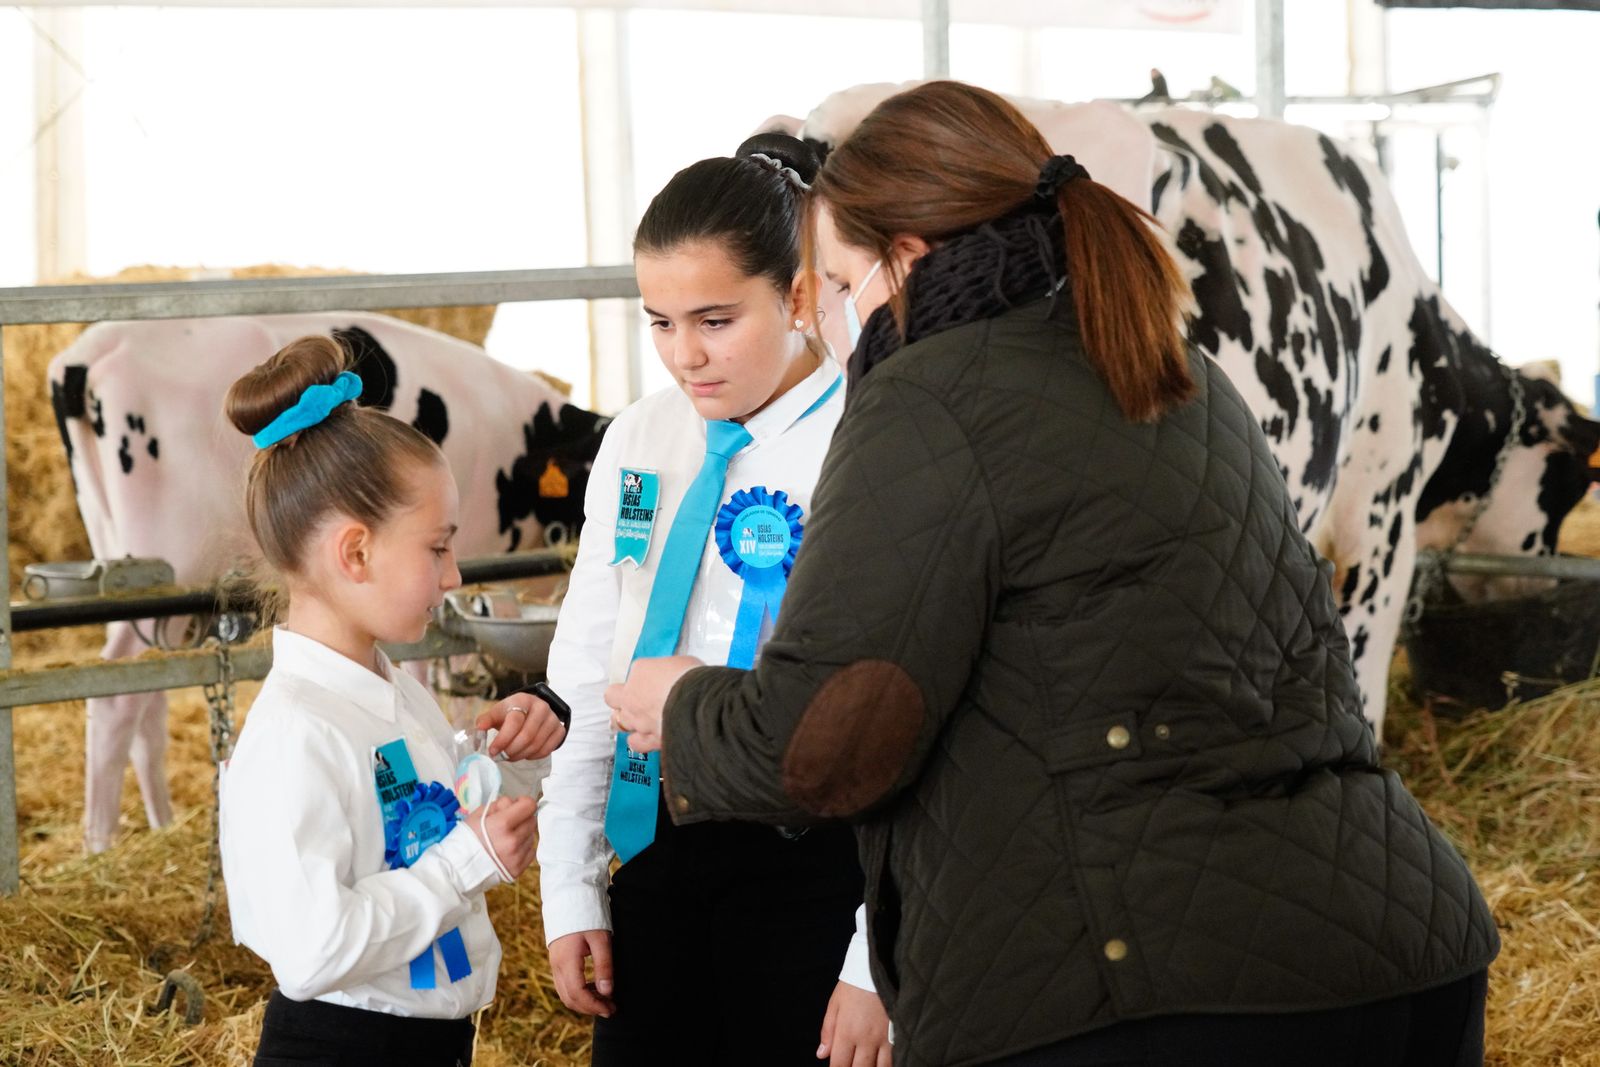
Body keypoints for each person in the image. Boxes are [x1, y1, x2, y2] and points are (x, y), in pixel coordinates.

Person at [606, 81, 1499, 1067]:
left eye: (838, 274)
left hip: (1152, 984)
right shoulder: (1176, 367)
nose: (824, 310)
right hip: (1395, 933)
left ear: (904, 258)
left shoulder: (926, 396)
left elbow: (830, 743)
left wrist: (682, 703)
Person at [497, 132, 891, 1067]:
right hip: (655, 843)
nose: (685, 355)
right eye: (659, 322)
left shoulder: (868, 437)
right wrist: (573, 893)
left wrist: (875, 962)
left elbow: (912, 721)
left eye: (716, 320)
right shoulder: (640, 435)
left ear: (797, 295)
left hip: (816, 863)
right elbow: (592, 667)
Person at [218, 335, 566, 1067]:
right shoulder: (294, 733)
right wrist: (468, 862)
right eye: (436, 547)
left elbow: (414, 820)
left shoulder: (390, 688)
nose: (454, 573)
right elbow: (314, 950)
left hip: (425, 1043)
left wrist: (507, 764)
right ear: (356, 552)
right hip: (342, 1048)